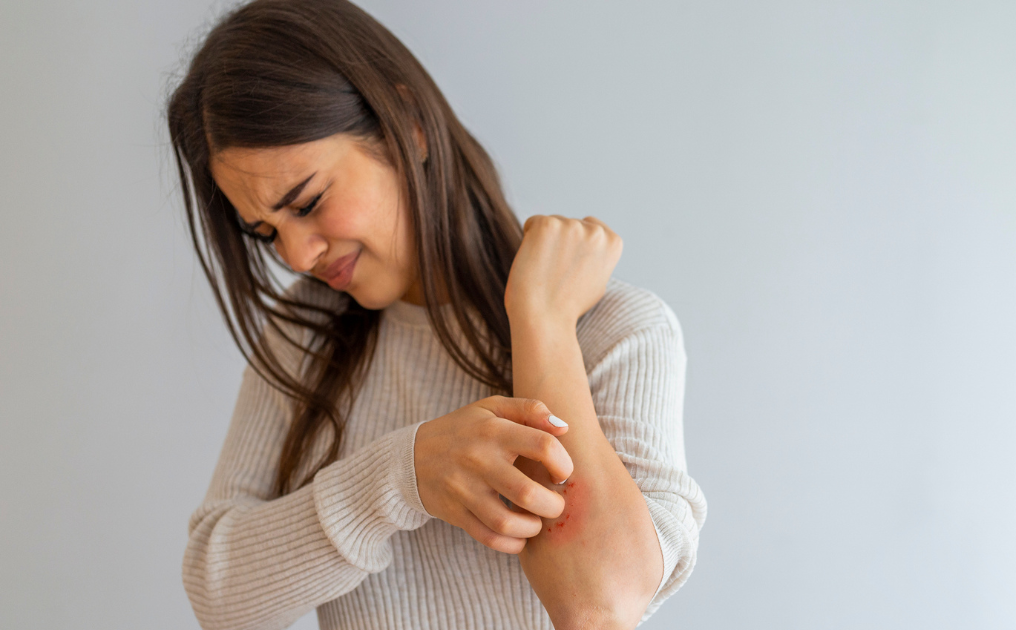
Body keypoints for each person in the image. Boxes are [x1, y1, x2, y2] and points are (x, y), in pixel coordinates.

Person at [168, 1, 706, 628]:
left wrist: (541, 323)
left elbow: (599, 604)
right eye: (265, 232)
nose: (294, 254)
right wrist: (404, 476)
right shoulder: (305, 335)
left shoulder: (616, 332)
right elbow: (219, 594)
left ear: (411, 127)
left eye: (309, 202)